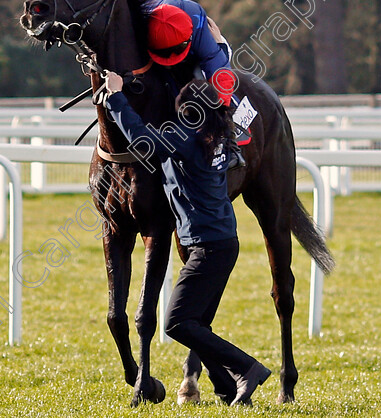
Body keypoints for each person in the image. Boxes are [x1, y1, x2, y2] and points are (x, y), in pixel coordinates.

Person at [102, 70, 271, 406]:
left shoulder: (186, 138)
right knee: (198, 323)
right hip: (223, 243)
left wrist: (116, 96)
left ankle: (247, 369)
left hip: (207, 248)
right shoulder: (216, 135)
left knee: (177, 323)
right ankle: (227, 389)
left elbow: (141, 139)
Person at [144, 0, 245, 169]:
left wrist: (217, 119)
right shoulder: (137, 17)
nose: (171, 58)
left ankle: (230, 143)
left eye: (175, 51)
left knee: (205, 88)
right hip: (151, 49)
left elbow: (222, 76)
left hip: (197, 53)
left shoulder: (197, 22)